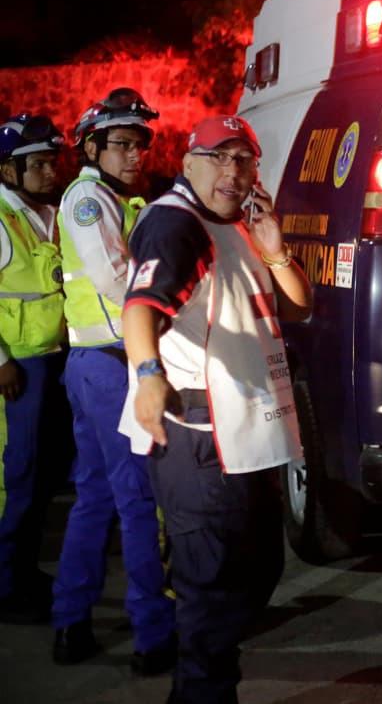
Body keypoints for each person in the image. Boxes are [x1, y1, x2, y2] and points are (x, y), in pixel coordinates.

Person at [119, 115, 311, 704]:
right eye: (218, 156)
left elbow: (299, 307)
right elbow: (140, 308)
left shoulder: (242, 225)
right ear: (188, 163)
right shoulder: (179, 226)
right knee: (213, 595)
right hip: (202, 443)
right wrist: (148, 376)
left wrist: (276, 251)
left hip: (249, 435)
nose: (233, 171)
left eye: (243, 159)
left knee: (254, 578)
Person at [51, 88, 176, 672]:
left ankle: (71, 622)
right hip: (107, 364)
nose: (135, 155)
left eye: (141, 145)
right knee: (134, 496)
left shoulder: (120, 199)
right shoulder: (87, 198)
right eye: (122, 144)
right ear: (93, 146)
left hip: (95, 364)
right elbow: (116, 278)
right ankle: (153, 636)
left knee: (96, 496)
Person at [0, 113, 73, 624]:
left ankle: (24, 573)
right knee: (17, 479)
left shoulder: (46, 212)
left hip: (52, 363)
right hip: (17, 370)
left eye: (53, 162)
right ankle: (7, 588)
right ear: (9, 172)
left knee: (44, 476)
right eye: (39, 164)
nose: (51, 172)